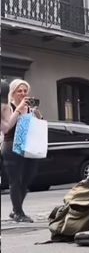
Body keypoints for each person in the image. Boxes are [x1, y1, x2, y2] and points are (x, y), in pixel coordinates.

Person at [0, 79, 42, 223]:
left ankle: (16, 209)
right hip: (11, 145)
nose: (23, 93)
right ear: (13, 92)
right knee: (15, 180)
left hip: (28, 146)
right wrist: (19, 110)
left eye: (25, 91)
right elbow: (7, 126)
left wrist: (36, 111)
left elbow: (39, 122)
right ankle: (18, 212)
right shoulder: (8, 106)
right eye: (19, 91)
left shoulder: (29, 107)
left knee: (27, 178)